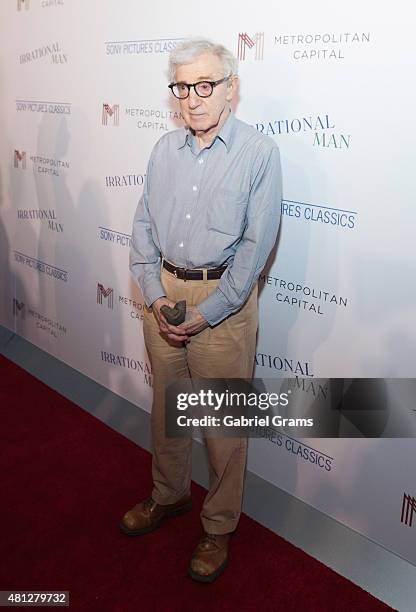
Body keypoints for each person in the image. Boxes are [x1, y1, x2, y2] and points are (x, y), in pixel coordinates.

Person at [121, 37, 282, 583]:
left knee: (221, 429)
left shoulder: (259, 154)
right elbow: (143, 228)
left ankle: (218, 527)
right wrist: (156, 292)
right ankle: (168, 496)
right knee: (168, 412)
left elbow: (255, 250)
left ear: (230, 89)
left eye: (205, 85)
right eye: (183, 87)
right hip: (164, 295)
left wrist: (207, 312)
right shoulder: (163, 150)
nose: (192, 98)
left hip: (226, 307)